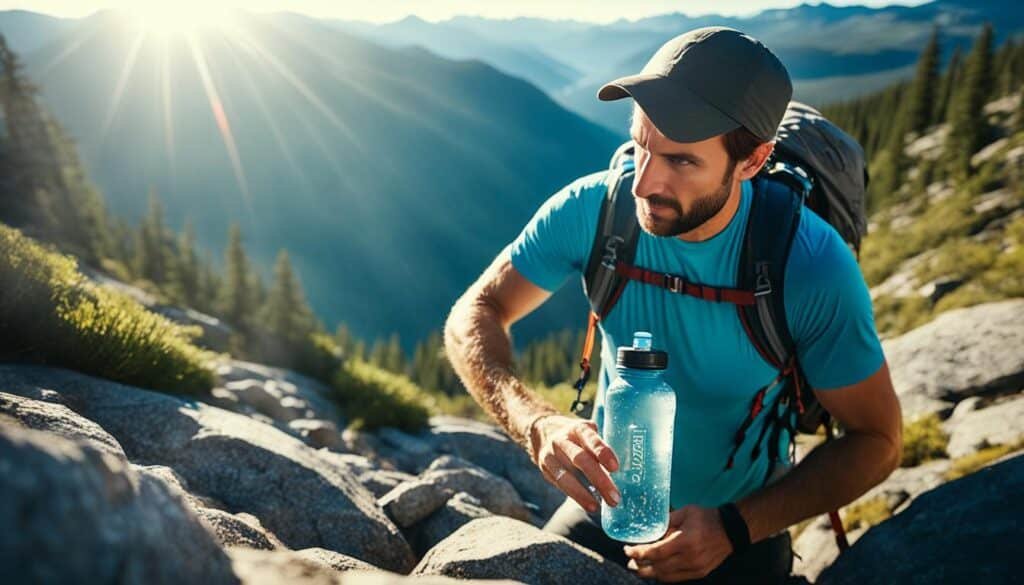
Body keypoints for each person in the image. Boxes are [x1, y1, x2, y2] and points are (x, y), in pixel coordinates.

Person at [443, 26, 902, 584]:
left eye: (681, 161)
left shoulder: (808, 265)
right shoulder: (596, 210)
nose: (644, 183)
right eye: (640, 144)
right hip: (609, 507)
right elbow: (477, 311)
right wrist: (534, 419)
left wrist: (735, 528)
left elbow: (877, 442)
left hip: (738, 534)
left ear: (753, 161)